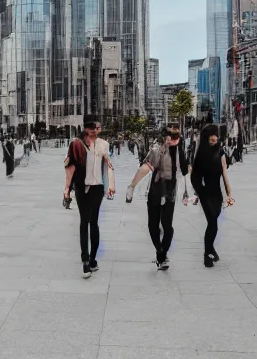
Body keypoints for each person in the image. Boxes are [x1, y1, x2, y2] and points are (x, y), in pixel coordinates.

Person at [126, 123, 190, 270]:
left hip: (170, 191)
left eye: (177, 136)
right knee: (153, 224)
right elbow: (145, 168)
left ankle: (162, 254)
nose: (175, 139)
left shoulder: (180, 150)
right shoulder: (156, 150)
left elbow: (185, 170)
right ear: (165, 136)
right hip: (156, 189)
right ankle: (160, 252)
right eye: (171, 136)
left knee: (167, 226)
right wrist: (132, 186)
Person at [63, 116, 115, 278]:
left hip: (97, 188)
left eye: (98, 127)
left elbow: (108, 166)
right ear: (85, 128)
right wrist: (66, 189)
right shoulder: (76, 144)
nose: (95, 130)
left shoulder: (104, 144)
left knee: (94, 222)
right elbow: (70, 167)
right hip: (82, 188)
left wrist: (111, 185)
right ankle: (85, 260)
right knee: (84, 221)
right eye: (92, 127)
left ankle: (93, 258)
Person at [190, 125, 234, 268]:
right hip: (205, 192)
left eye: (216, 135)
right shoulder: (201, 153)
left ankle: (211, 249)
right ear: (206, 137)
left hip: (217, 193)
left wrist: (229, 193)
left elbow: (225, 174)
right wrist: (199, 191)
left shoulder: (220, 152)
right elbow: (194, 175)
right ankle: (207, 254)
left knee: (214, 221)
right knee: (212, 222)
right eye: (212, 135)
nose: (215, 137)